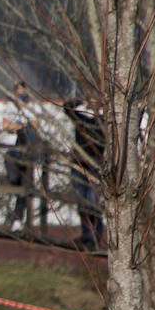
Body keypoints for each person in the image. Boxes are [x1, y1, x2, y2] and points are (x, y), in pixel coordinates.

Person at [63, 98, 105, 247]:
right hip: (79, 165)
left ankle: (96, 235)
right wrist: (81, 99)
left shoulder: (103, 121)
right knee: (82, 202)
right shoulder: (80, 118)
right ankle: (87, 235)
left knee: (93, 201)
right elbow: (67, 107)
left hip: (95, 166)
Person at [1, 81, 37, 232]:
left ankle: (18, 219)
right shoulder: (10, 107)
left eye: (23, 91)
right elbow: (6, 126)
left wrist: (19, 126)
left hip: (27, 151)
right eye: (18, 91)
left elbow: (34, 126)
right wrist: (21, 126)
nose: (21, 93)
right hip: (12, 149)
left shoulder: (32, 108)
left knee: (24, 185)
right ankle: (12, 214)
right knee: (14, 180)